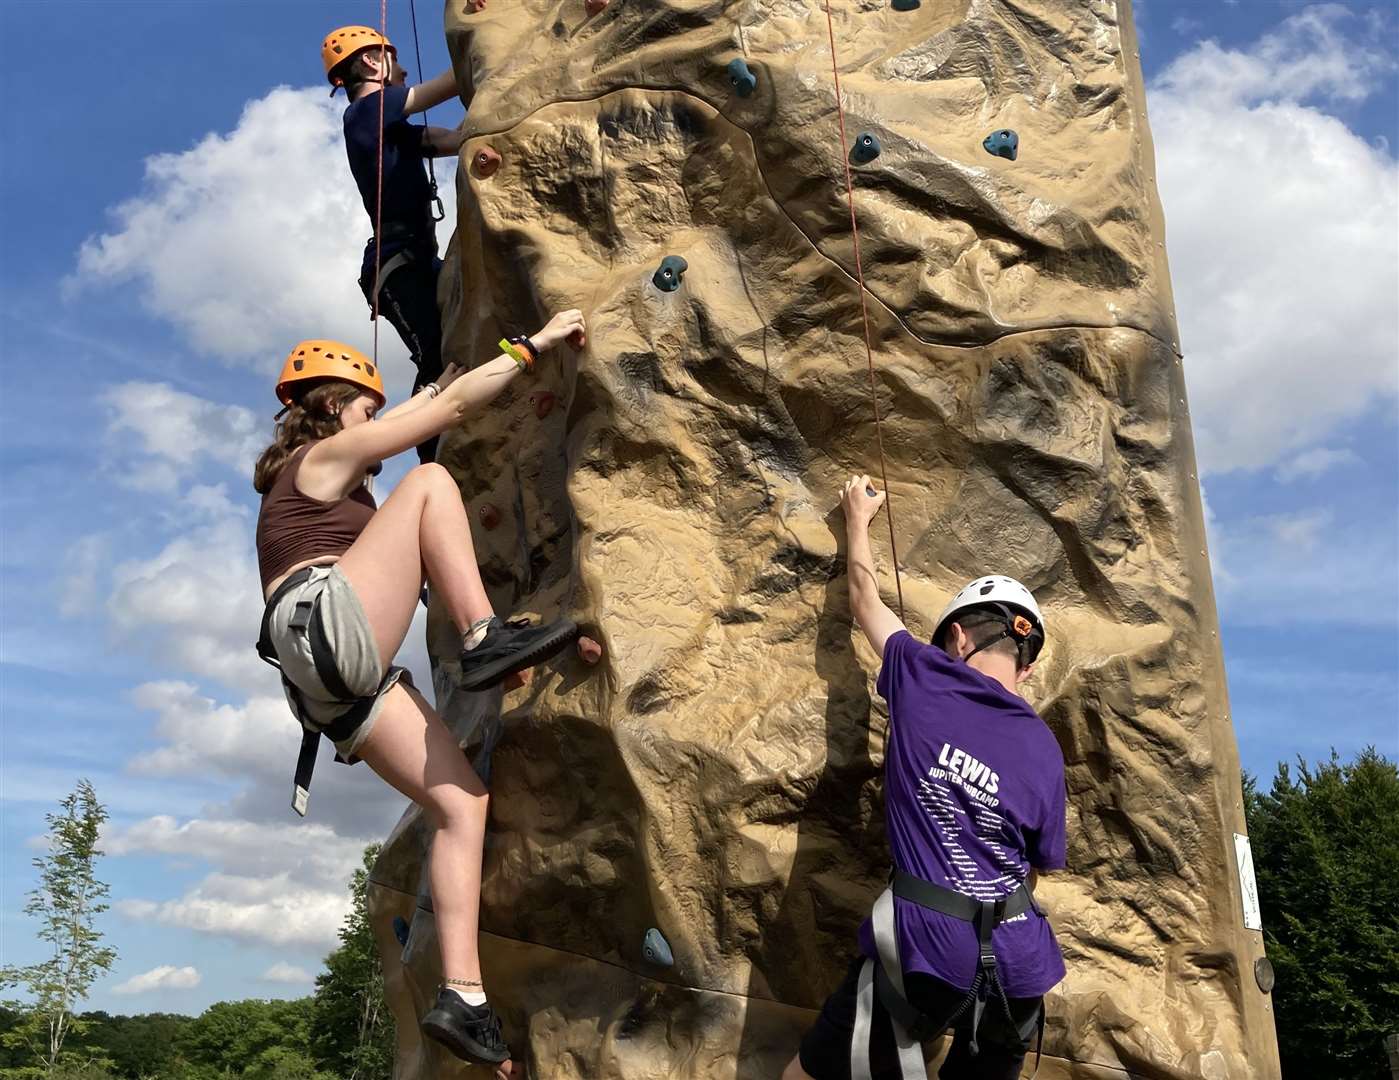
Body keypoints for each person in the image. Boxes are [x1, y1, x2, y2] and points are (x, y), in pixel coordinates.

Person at [253, 309, 586, 1072]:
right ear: (334, 406)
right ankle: (482, 637)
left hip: (332, 687)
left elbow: (425, 404)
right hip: (326, 633)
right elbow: (447, 414)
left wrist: (435, 387)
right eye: (366, 407)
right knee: (431, 478)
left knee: (460, 804)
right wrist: (532, 346)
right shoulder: (323, 459)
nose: (375, 420)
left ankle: (462, 997)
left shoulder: (328, 489)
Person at [783, 476, 1067, 1080]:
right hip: (1020, 967)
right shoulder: (1046, 748)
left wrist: (857, 518)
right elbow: (1038, 867)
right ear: (1029, 663)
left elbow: (865, 599)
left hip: (927, 949)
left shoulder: (924, 672)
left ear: (958, 637)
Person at [322, 25, 465, 462]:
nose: (402, 70)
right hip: (395, 265)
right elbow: (441, 88)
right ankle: (432, 459)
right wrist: (484, 55)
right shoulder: (365, 113)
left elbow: (452, 140)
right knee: (436, 356)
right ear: (371, 61)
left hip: (421, 260)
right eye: (394, 61)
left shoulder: (389, 129)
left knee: (457, 340)